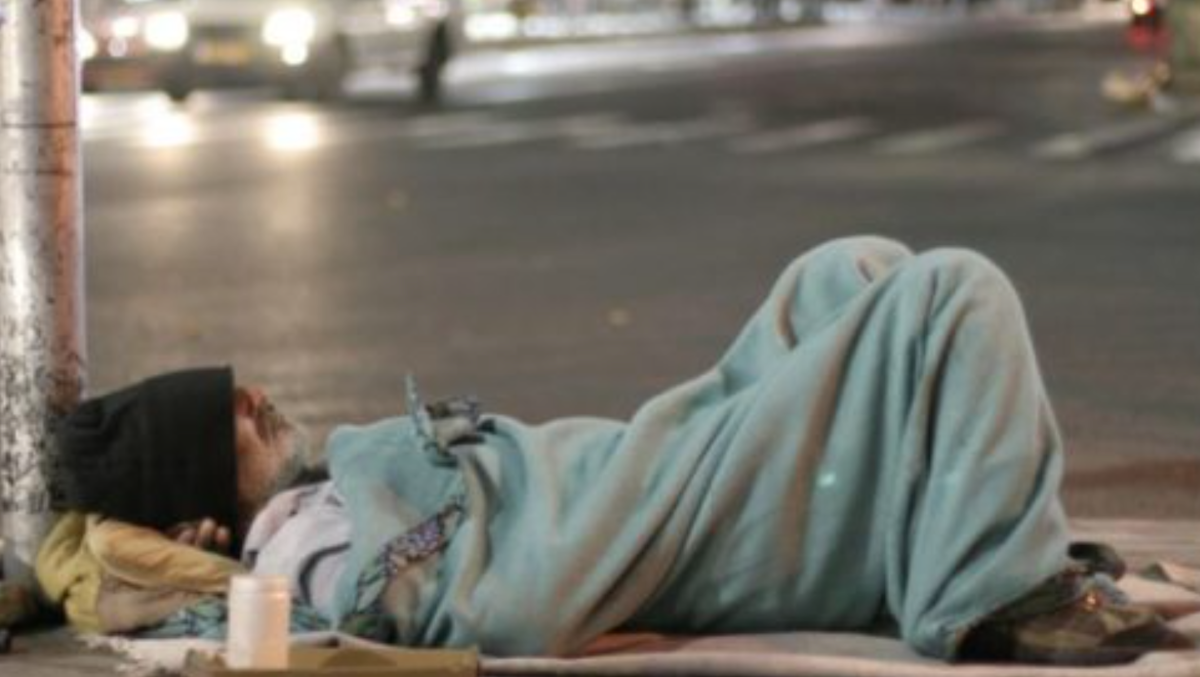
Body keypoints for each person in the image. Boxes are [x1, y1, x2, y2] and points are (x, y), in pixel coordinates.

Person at [50, 237, 1194, 665]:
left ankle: (934, 541)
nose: (257, 399)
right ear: (203, 506)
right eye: (232, 420)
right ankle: (993, 595)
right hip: (664, 516)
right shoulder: (305, 545)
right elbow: (496, 597)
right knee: (954, 293)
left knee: (848, 271)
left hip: (661, 459)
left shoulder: (316, 499)